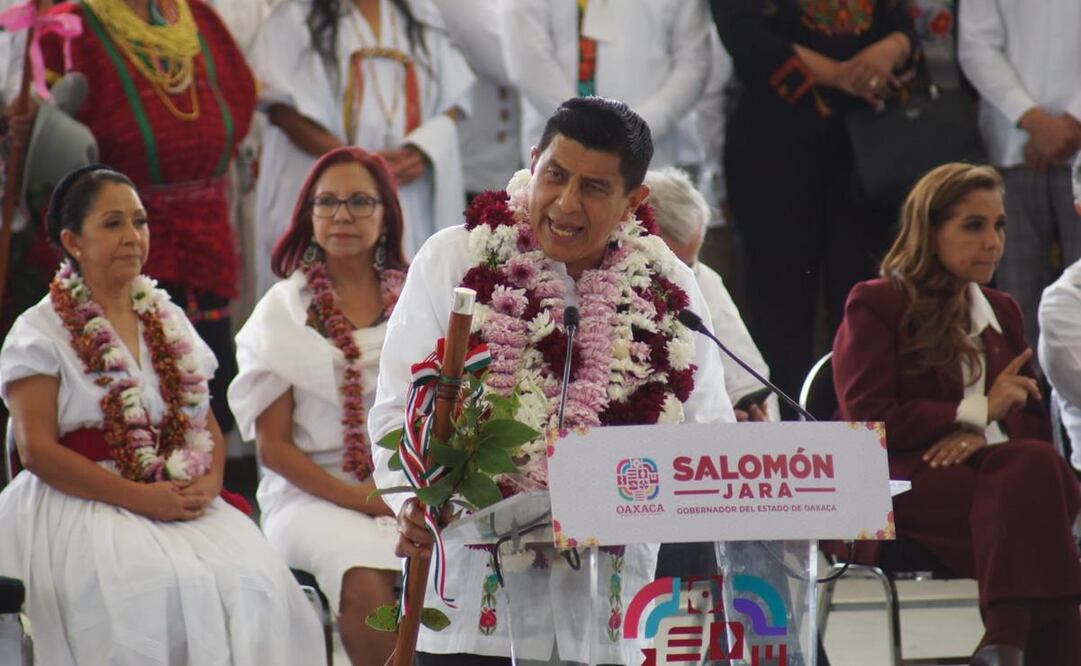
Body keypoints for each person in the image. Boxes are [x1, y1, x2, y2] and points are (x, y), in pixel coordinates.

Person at [369, 96, 734, 664]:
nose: (565, 204)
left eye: (593, 188)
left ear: (633, 200)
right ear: (533, 162)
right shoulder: (453, 260)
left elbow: (707, 432)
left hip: (607, 606)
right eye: (555, 176)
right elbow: (397, 409)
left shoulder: (669, 286)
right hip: (474, 597)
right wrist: (411, 500)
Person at [0, 165, 323, 665]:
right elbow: (36, 450)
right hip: (81, 499)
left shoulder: (166, 316)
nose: (132, 237)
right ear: (72, 240)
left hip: (177, 493)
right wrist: (139, 498)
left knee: (254, 582)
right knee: (149, 589)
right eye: (112, 224)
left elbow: (205, 422)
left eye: (140, 221)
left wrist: (209, 483)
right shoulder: (38, 330)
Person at [833, 163, 1081, 665]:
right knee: (1038, 499)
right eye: (974, 225)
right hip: (894, 483)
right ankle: (1022, 643)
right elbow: (868, 418)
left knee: (1031, 473)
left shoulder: (1003, 309)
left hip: (994, 480)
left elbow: (1030, 421)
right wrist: (978, 411)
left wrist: (982, 438)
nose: (993, 241)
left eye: (1000, 225)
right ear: (931, 231)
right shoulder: (877, 303)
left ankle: (1005, 644)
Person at [37, 0, 257, 441]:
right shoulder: (69, 29)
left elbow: (241, 99)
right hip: (115, 234)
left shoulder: (199, 18)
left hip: (207, 230)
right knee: (123, 392)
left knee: (208, 388)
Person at [228, 147, 407, 666]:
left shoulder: (417, 298)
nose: (342, 216)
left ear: (386, 215)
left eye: (359, 202)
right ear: (308, 215)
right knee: (365, 577)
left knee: (458, 567)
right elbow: (274, 449)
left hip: (407, 487)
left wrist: (402, 492)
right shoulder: (281, 313)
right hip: (309, 496)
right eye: (327, 203)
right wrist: (363, 500)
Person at [711, 0, 916, 417]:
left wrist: (890, 49)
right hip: (773, 149)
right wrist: (840, 75)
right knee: (779, 304)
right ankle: (788, 441)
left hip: (869, 148)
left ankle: (862, 428)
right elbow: (744, 34)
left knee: (865, 300)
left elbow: (904, 25)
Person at [251, 0, 474, 295]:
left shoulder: (421, 14)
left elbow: (455, 100)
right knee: (317, 304)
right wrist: (358, 167)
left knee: (408, 294)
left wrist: (422, 149)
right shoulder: (294, 16)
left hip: (404, 187)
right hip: (327, 184)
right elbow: (281, 108)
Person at [958, 1, 1081, 360]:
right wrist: (1032, 119)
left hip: (1067, 142)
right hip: (1013, 145)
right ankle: (1026, 407)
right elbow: (976, 46)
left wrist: (1072, 121)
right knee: (1016, 301)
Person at [499, 0, 712, 173]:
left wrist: (635, 128)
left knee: (643, 221)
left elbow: (694, 65)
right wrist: (582, 125)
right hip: (558, 147)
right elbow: (528, 61)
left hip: (649, 153)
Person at [645, 166, 777, 421]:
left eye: (690, 264)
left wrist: (745, 414)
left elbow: (749, 377)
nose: (683, 278)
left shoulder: (702, 279)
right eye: (672, 267)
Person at [1037, 153, 1081, 471]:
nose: (991, 243)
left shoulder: (992, 312)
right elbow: (858, 418)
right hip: (873, 496)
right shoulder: (1064, 300)